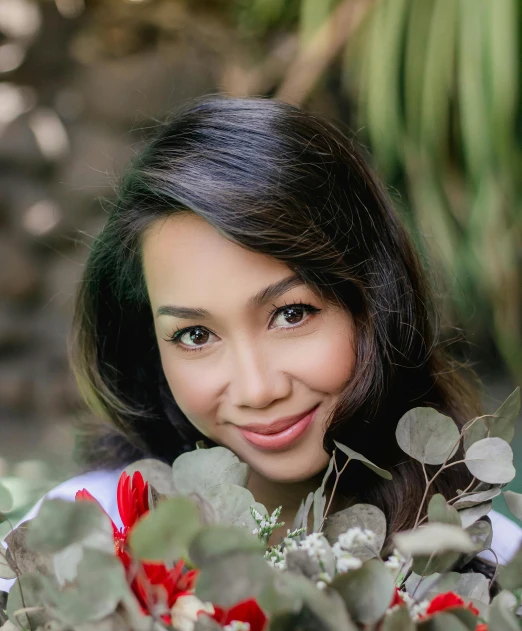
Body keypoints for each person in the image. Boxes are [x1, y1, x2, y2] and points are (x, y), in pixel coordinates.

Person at [1, 95, 521, 593]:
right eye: (195, 335)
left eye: (291, 314)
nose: (257, 389)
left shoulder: (494, 565)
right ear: (149, 349)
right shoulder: (68, 545)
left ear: (375, 300)